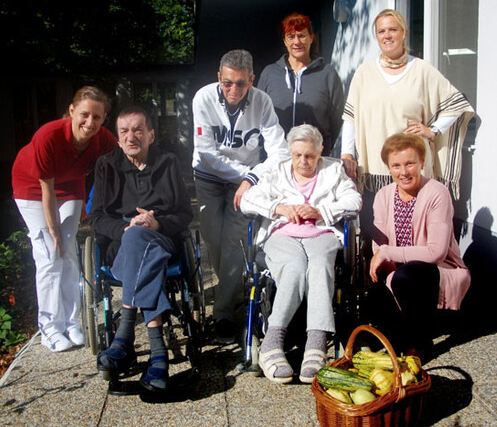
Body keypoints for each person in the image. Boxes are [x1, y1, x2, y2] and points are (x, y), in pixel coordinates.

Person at [240, 125, 362, 384]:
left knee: (319, 266)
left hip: (321, 234)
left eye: (309, 155)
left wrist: (320, 212)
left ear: (320, 151)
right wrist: (280, 207)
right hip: (282, 235)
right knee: (294, 267)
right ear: (290, 153)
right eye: (297, 155)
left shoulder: (333, 170)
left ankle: (317, 345)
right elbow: (247, 200)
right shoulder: (277, 171)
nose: (303, 162)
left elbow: (354, 201)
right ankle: (273, 341)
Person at [340, 9, 474, 241]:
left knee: (414, 233)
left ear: (404, 33)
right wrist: (347, 153)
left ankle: (412, 276)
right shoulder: (364, 73)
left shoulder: (423, 70)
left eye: (393, 29)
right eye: (381, 31)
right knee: (378, 234)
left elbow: (457, 104)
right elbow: (351, 118)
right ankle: (380, 278)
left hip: (412, 171)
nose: (387, 35)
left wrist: (433, 130)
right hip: (375, 171)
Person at [89, 105, 193, 393]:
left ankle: (124, 338)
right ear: (118, 139)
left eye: (137, 130)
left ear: (150, 134)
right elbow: (96, 217)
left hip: (160, 237)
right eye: (124, 131)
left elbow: (184, 214)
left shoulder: (168, 163)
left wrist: (156, 224)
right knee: (135, 238)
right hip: (121, 241)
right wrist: (125, 229)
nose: (131, 136)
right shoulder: (106, 165)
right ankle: (157, 353)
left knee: (142, 239)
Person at [192, 49, 289, 344]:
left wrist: (252, 178)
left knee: (234, 244)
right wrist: (245, 174)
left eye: (241, 84)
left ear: (252, 80)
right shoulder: (203, 98)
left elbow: (280, 152)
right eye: (227, 83)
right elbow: (206, 153)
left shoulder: (263, 102)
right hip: (208, 177)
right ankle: (230, 293)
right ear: (219, 78)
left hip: (245, 183)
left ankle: (222, 313)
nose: (234, 90)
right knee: (215, 242)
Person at [12, 86, 117, 352]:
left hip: (70, 186)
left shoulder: (102, 138)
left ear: (104, 118)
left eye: (96, 117)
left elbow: (122, 160)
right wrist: (53, 229)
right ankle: (49, 329)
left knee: (69, 250)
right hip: (33, 189)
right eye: (84, 115)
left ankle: (72, 323)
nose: (89, 123)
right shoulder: (48, 136)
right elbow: (46, 189)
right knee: (50, 252)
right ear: (72, 111)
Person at [368, 133, 470, 358]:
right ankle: (398, 337)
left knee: (410, 275)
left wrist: (386, 253)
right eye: (396, 165)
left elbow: (436, 252)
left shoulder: (436, 193)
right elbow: (379, 244)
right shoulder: (383, 196)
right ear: (388, 168)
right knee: (374, 293)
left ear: (422, 163)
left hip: (434, 270)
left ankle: (419, 343)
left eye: (410, 164)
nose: (403, 172)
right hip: (398, 271)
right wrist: (384, 260)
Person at [258, 13, 344, 155]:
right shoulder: (270, 74)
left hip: (313, 159)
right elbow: (258, 114)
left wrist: (322, 146)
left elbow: (336, 119)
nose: (296, 42)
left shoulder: (327, 74)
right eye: (291, 36)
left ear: (311, 38)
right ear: (285, 41)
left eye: (302, 35)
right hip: (276, 158)